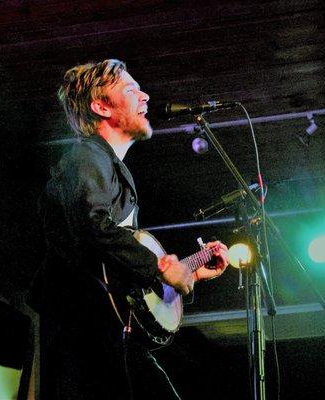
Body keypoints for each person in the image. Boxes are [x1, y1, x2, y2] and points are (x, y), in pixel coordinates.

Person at [28, 59, 229, 399]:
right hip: (81, 327)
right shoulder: (87, 157)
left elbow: (113, 260)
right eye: (131, 89)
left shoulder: (111, 168)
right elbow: (94, 226)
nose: (145, 96)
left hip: (109, 328)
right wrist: (160, 269)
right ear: (101, 106)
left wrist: (189, 272)